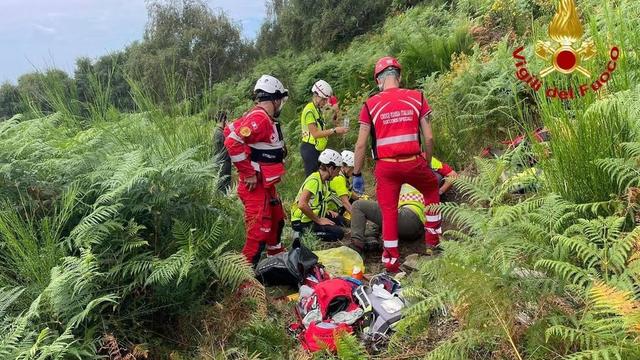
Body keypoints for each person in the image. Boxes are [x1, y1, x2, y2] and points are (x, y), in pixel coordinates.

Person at [352, 56, 442, 272]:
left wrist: (356, 174)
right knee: (431, 190)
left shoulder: (370, 105)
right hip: (413, 161)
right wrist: (427, 164)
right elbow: (428, 138)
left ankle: (391, 262)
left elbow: (361, 145)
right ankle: (434, 246)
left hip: (386, 167)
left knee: (389, 211)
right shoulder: (417, 97)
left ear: (378, 81)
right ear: (399, 77)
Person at [224, 75, 289, 266]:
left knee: (277, 218)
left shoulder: (258, 116)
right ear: (276, 99)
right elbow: (232, 142)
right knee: (258, 232)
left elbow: (230, 131)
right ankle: (244, 278)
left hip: (265, 182)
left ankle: (275, 257)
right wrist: (248, 173)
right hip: (255, 184)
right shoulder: (260, 119)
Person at [350, 161, 457, 253]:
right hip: (414, 224)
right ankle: (371, 238)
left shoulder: (403, 177)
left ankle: (356, 248)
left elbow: (453, 175)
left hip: (409, 217)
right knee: (382, 208)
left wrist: (439, 192)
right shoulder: (422, 179)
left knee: (358, 205)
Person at [291, 149, 345, 242]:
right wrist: (319, 220)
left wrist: (326, 210)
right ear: (331, 168)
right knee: (338, 233)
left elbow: (316, 200)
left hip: (312, 215)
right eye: (338, 170)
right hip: (301, 221)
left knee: (340, 220)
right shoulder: (314, 181)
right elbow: (302, 204)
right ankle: (303, 234)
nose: (337, 174)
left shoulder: (323, 181)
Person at [300, 80, 348, 176]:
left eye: (326, 100)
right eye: (324, 99)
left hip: (317, 148)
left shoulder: (317, 110)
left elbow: (322, 128)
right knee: (312, 180)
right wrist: (334, 130)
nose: (325, 102)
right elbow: (316, 134)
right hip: (310, 149)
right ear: (316, 96)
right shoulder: (309, 110)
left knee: (320, 178)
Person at [328, 150, 358, 216]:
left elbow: (347, 192)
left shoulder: (341, 176)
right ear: (345, 167)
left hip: (334, 207)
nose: (353, 171)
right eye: (352, 168)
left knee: (357, 202)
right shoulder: (339, 178)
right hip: (330, 211)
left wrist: (359, 198)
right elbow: (345, 202)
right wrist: (358, 217)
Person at [212, 110, 232, 193]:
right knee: (224, 187)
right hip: (223, 162)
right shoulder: (221, 133)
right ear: (224, 120)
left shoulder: (216, 131)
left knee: (220, 184)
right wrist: (230, 128)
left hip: (218, 161)